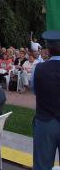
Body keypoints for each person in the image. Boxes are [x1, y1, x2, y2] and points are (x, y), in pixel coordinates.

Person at [31, 31, 60, 170]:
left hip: (45, 121)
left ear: (48, 50)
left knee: (42, 165)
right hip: (46, 118)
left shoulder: (39, 68)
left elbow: (35, 90)